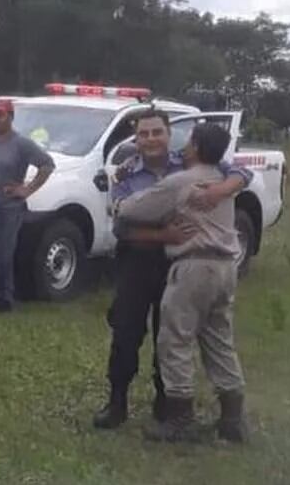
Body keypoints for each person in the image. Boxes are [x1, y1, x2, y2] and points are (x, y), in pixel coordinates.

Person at [93, 111, 252, 430]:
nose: (151, 139)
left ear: (170, 136)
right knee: (127, 333)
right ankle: (117, 402)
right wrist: (161, 235)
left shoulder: (189, 167)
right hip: (137, 262)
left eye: (157, 132)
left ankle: (171, 408)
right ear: (135, 139)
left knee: (172, 337)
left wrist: (220, 191)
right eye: (143, 134)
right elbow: (121, 225)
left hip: (180, 265)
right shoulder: (125, 173)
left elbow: (241, 171)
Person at [0, 99, 54, 312]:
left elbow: (47, 164)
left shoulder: (21, 144)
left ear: (10, 118)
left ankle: (0, 299)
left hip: (8, 208)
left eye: (1, 115)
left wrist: (26, 189)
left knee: (1, 253)